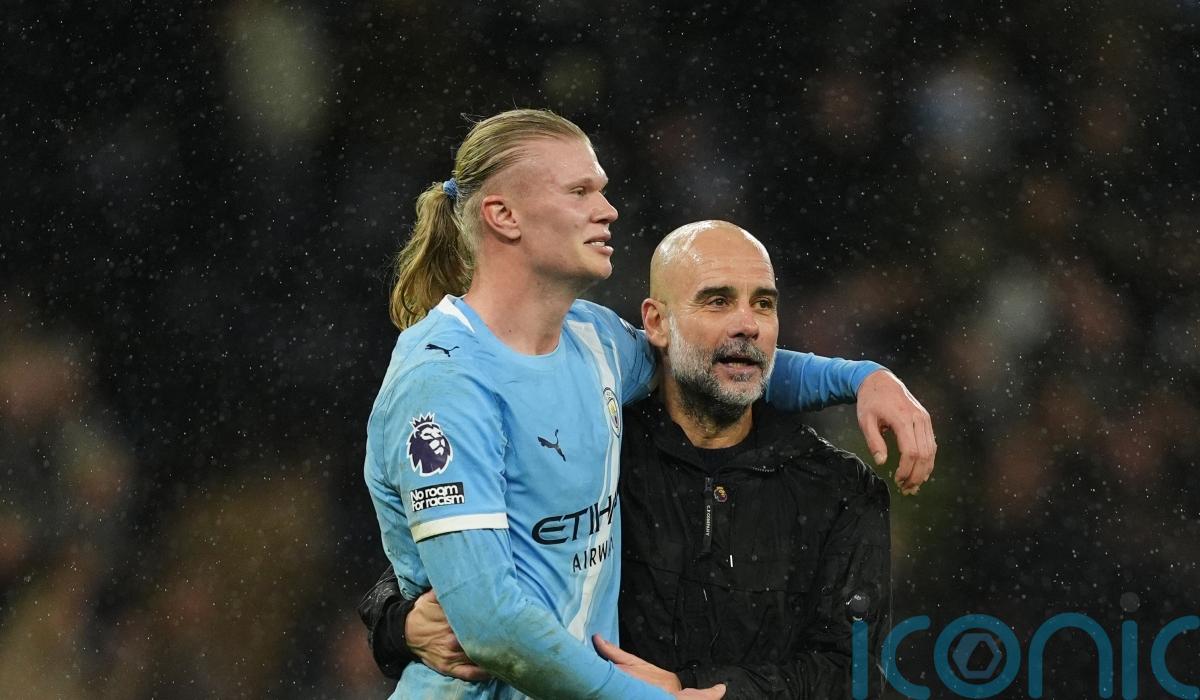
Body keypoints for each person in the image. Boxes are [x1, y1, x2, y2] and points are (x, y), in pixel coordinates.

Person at [364, 109, 932, 699]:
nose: (608, 210)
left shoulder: (595, 342)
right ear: (504, 216)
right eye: (580, 191)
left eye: (602, 190)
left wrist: (863, 378)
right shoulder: (445, 380)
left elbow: (714, 357)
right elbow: (492, 625)